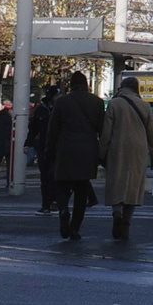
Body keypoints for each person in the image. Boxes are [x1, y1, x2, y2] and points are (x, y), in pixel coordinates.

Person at [44, 73, 106, 239]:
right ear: (87, 85)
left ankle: (63, 209)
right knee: (81, 191)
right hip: (87, 152)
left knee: (62, 186)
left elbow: (53, 129)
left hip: (65, 151)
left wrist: (49, 151)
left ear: (71, 85)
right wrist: (103, 154)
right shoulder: (97, 103)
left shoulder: (62, 102)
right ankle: (75, 228)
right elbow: (103, 130)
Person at [101, 76, 153, 240]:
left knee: (116, 183)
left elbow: (106, 132)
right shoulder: (145, 106)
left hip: (117, 149)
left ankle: (117, 214)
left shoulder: (114, 104)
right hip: (138, 151)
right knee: (133, 187)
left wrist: (102, 152)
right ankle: (126, 222)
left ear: (122, 87)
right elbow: (151, 135)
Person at [29, 93, 57, 215]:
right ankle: (48, 203)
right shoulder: (42, 110)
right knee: (47, 176)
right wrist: (28, 142)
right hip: (46, 146)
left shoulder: (53, 109)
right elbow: (34, 128)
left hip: (52, 146)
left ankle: (51, 203)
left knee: (52, 176)